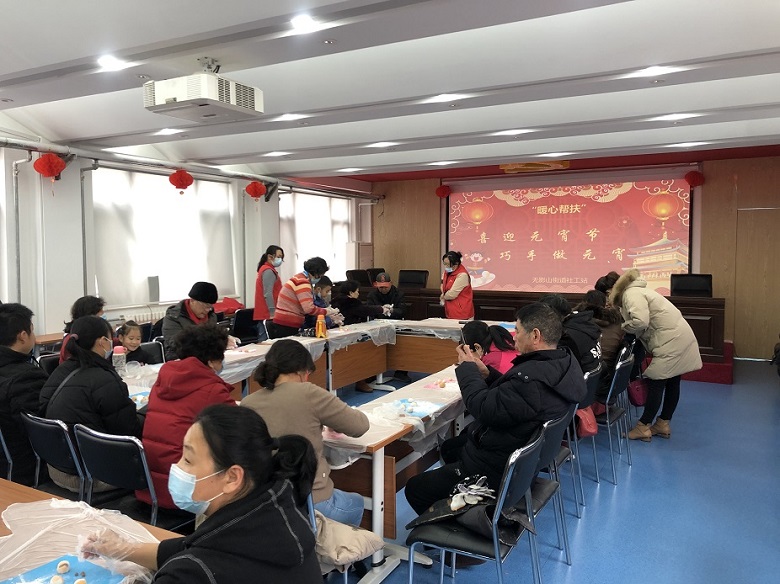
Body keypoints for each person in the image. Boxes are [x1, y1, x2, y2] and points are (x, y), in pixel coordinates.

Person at [82, 405, 321, 583]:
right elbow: (190, 546)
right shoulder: (281, 516)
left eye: (188, 459)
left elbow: (194, 559)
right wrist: (122, 548)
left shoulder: (192, 573)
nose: (176, 468)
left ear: (232, 477)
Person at [405, 302, 586, 514]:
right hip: (520, 460)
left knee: (415, 488)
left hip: (495, 471)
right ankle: (455, 500)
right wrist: (487, 374)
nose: (514, 337)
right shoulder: (561, 363)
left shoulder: (530, 379)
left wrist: (467, 369)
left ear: (535, 336)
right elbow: (517, 398)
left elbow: (482, 408)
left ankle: (457, 523)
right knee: (451, 447)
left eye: (518, 330)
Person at [242, 339, 369, 526]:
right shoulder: (308, 393)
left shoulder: (248, 403)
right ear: (301, 371)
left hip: (265, 501)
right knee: (357, 503)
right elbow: (360, 426)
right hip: (310, 500)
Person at [138, 324, 237, 509]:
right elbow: (241, 428)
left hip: (151, 486)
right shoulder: (212, 389)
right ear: (211, 361)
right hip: (185, 493)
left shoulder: (162, 380)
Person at [40, 315, 143, 492]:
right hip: (93, 475)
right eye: (111, 339)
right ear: (103, 342)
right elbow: (128, 433)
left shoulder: (60, 371)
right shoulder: (104, 379)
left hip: (57, 468)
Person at [610, 269, 702, 441]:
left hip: (671, 341)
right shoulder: (641, 291)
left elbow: (640, 321)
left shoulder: (630, 294)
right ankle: (662, 424)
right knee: (673, 381)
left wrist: (623, 328)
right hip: (679, 337)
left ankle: (643, 426)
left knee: (656, 382)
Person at [0, 303, 48, 485]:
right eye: (32, 331)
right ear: (22, 336)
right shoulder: (26, 378)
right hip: (25, 470)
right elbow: (43, 431)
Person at [574, 290, 625, 403]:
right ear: (604, 305)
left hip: (591, 381)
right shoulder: (618, 323)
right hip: (608, 376)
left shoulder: (580, 324)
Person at [270, 257, 339, 338]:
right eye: (321, 275)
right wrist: (326, 311)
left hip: (284, 321)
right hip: (287, 323)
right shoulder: (302, 282)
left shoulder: (299, 278)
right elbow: (309, 308)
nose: (321, 277)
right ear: (316, 273)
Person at [539, 293, 601, 373]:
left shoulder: (566, 337)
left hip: (578, 377)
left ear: (551, 315)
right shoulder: (583, 323)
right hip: (594, 377)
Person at [366, 272, 410, 382]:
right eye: (381, 287)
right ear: (376, 285)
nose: (383, 289)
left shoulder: (399, 294)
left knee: (404, 344)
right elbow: (369, 310)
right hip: (378, 325)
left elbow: (403, 310)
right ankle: (372, 372)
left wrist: (392, 310)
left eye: (386, 287)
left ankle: (401, 372)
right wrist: (380, 309)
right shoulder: (372, 295)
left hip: (396, 324)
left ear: (391, 283)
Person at [162, 282, 222, 361]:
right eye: (205, 306)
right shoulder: (173, 317)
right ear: (192, 300)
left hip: (206, 357)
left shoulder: (211, 316)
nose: (207, 310)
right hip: (180, 359)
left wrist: (223, 340)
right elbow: (178, 344)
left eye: (210, 307)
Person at [60, 295, 106, 363]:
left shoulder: (93, 334)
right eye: (100, 311)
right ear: (89, 314)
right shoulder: (72, 339)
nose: (103, 313)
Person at [253, 245, 284, 342]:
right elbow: (268, 294)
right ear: (270, 257)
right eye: (279, 257)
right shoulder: (268, 271)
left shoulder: (266, 269)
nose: (280, 260)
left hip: (266, 313)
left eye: (281, 257)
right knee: (266, 342)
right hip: (267, 314)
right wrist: (272, 313)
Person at [440, 251, 474, 320]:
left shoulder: (462, 275)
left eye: (448, 264)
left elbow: (451, 295)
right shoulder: (447, 272)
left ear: (456, 264)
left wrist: (443, 296)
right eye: (445, 264)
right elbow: (442, 284)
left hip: (462, 312)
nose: (446, 267)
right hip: (451, 310)